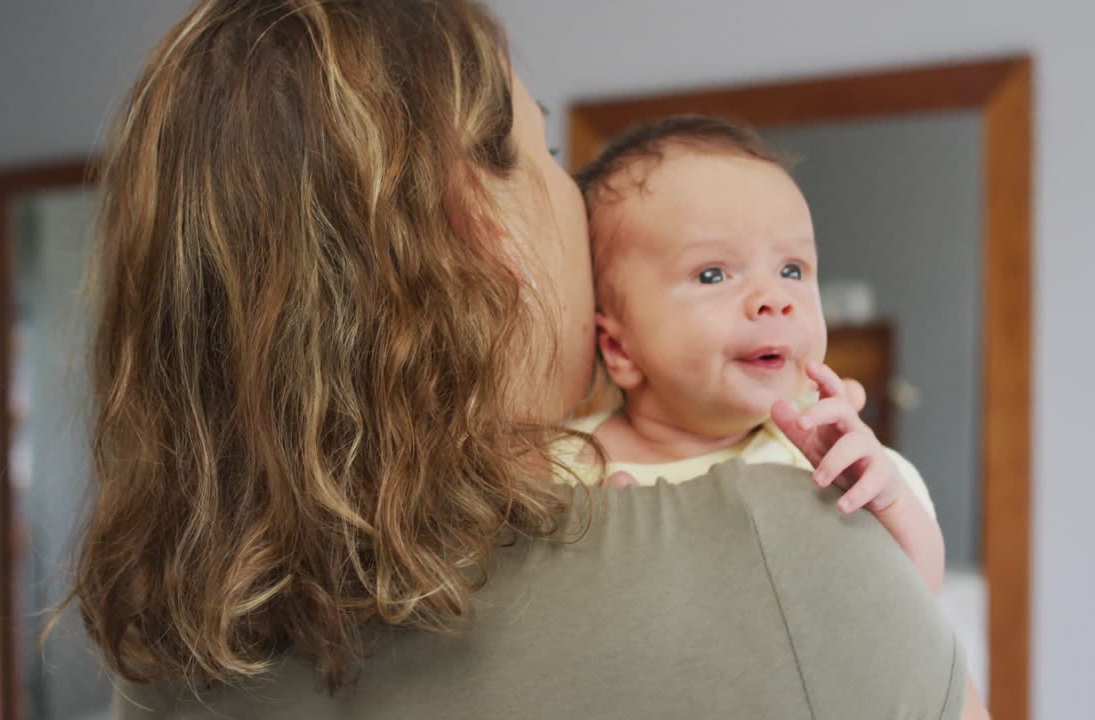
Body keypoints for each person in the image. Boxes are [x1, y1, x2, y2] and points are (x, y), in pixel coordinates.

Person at [69, 1, 987, 717]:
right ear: (476, 227)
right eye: (543, 149)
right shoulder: (785, 543)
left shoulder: (167, 657)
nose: (570, 195)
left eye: (792, 269)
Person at [567, 116, 945, 591]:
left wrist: (887, 501)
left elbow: (920, 597)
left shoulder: (827, 461)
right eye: (713, 275)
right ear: (620, 348)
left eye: (792, 269)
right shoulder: (562, 471)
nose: (775, 298)